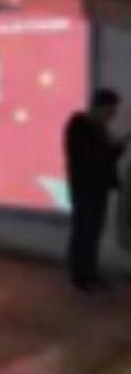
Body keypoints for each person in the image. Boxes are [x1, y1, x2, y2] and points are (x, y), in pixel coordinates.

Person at [64, 88, 126, 293]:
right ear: (99, 107)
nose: (113, 115)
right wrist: (112, 147)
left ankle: (91, 272)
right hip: (84, 189)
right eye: (111, 110)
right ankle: (80, 277)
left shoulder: (100, 129)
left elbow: (106, 158)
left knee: (94, 232)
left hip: (99, 188)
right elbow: (89, 156)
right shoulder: (78, 124)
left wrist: (118, 146)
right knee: (83, 232)